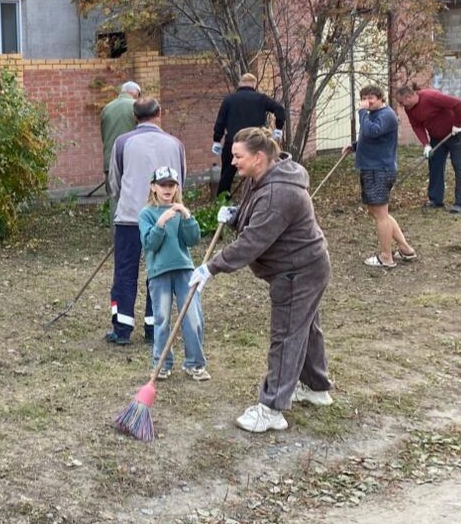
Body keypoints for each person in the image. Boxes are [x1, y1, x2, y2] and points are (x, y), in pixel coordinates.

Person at [188, 127, 333, 433]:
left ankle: (271, 409)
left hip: (298, 270)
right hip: (305, 265)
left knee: (287, 334)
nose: (233, 162)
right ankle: (316, 388)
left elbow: (254, 240)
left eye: (238, 156)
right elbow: (255, 216)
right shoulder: (264, 178)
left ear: (258, 157)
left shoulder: (279, 192)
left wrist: (211, 268)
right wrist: (237, 214)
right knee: (304, 327)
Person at [106, 97, 186, 345]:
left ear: (134, 117)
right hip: (164, 216)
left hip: (130, 217)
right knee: (159, 271)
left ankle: (122, 328)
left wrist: (126, 199)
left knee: (125, 273)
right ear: (159, 113)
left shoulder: (122, 143)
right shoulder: (175, 144)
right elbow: (182, 176)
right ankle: (155, 327)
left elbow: (114, 180)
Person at [138, 166, 208, 381]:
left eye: (172, 185)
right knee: (162, 318)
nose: (167, 189)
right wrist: (160, 223)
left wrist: (187, 217)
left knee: (193, 317)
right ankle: (162, 363)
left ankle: (195, 364)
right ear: (153, 187)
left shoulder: (180, 211)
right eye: (163, 185)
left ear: (177, 187)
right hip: (159, 273)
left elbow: (193, 240)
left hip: (185, 271)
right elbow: (150, 244)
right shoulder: (146, 214)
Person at [351, 85, 417, 269]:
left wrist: (362, 112)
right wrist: (355, 146)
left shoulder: (386, 115)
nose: (367, 101)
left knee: (380, 215)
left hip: (379, 170)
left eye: (371, 97)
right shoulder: (373, 115)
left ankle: (386, 257)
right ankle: (405, 249)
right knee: (378, 212)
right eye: (364, 97)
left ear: (381, 98)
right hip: (370, 168)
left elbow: (372, 131)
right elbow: (371, 137)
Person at [394, 84, 461, 215]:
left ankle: (460, 203)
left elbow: (458, 104)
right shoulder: (409, 108)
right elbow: (417, 126)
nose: (402, 106)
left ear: (409, 96)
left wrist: (457, 124)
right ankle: (436, 200)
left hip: (457, 133)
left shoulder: (431, 97)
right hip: (437, 136)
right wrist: (426, 144)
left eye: (402, 102)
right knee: (435, 164)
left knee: (459, 165)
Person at [212, 73, 288, 198]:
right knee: (260, 172)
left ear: (239, 84)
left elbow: (220, 121)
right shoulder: (261, 99)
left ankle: (222, 202)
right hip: (256, 144)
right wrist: (278, 128)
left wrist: (216, 139)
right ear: (254, 84)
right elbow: (279, 109)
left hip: (234, 143)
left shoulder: (229, 100)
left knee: (226, 176)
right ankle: (260, 197)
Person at [101, 81, 141, 178]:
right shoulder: (137, 106)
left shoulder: (107, 108)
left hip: (110, 161)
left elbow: (104, 136)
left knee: (114, 193)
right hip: (131, 162)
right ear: (135, 93)